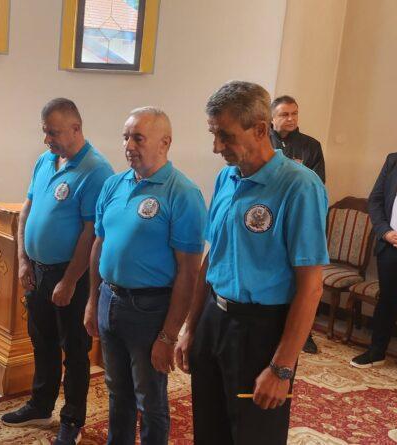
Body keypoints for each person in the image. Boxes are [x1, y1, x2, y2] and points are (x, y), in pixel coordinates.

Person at [175, 81, 329, 444]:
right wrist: (191, 327)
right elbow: (213, 257)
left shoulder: (299, 186)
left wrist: (282, 367)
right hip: (214, 320)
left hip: (261, 331)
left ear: (260, 129)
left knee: (254, 435)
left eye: (225, 136)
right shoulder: (226, 178)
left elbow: (311, 286)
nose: (216, 147)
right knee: (209, 430)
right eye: (213, 134)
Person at [84, 107, 205, 444]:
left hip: (149, 309)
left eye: (138, 138)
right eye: (126, 137)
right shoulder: (113, 184)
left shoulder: (183, 193)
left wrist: (168, 336)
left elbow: (188, 272)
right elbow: (99, 244)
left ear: (165, 143)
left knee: (149, 399)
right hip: (109, 299)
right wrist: (92, 301)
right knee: (116, 390)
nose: (128, 146)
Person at [1, 97, 114, 445]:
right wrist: (23, 260)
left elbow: (91, 233)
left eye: (53, 132)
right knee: (42, 341)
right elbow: (26, 210)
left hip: (70, 276)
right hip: (37, 270)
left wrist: (69, 280)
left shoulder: (96, 170)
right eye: (45, 131)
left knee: (75, 350)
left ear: (76, 128)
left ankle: (72, 420)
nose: (46, 139)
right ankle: (41, 404)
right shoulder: (45, 160)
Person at [270, 95, 327, 354]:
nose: (291, 118)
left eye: (294, 113)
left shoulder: (311, 146)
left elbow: (317, 183)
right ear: (272, 118)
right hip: (267, 218)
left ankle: (304, 333)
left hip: (298, 219)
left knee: (302, 278)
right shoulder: (263, 142)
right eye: (284, 114)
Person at [350, 149, 397, 384]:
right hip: (390, 246)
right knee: (387, 302)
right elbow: (375, 200)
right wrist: (386, 232)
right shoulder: (395, 160)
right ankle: (376, 352)